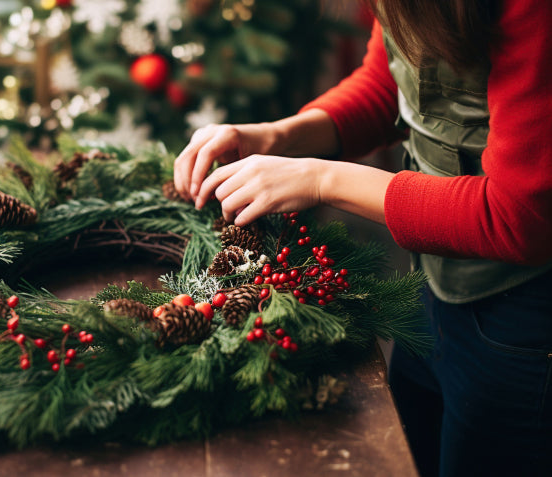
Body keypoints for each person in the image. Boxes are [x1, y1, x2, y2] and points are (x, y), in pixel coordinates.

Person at [173, 1, 552, 476]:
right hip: (428, 284)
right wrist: (277, 136)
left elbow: (519, 218)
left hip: (520, 324)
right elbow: (386, 84)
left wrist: (321, 180)